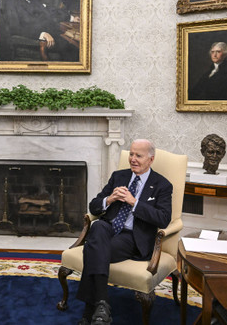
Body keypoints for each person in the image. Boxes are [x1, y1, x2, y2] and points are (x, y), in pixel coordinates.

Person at [76, 139, 172, 325]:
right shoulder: (119, 176)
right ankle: (102, 304)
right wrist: (110, 199)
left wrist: (133, 202)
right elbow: (94, 207)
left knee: (92, 249)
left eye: (138, 155)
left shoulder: (162, 184)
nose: (133, 159)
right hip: (108, 229)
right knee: (98, 226)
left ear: (151, 159)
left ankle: (89, 311)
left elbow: (163, 218)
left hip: (132, 237)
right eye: (131, 154)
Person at [0, 0, 79, 61]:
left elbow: (50, 11)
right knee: (72, 49)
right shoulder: (11, 3)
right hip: (35, 40)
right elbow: (15, 28)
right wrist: (41, 34)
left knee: (75, 45)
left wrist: (70, 18)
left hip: (52, 34)